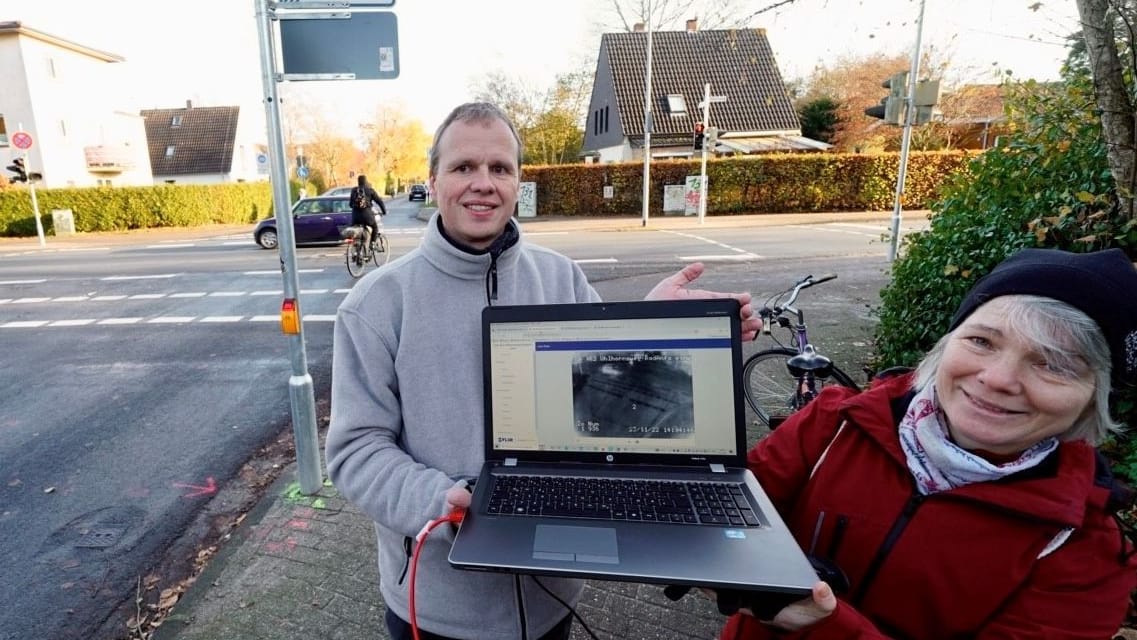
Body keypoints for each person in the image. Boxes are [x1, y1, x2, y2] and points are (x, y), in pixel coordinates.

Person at [326, 102, 760, 640]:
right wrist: (443, 503)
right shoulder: (376, 304)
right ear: (434, 180)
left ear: (517, 183)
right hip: (438, 607)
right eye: (464, 167)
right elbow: (355, 451)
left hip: (550, 600)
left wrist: (650, 323)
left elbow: (599, 399)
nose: (482, 184)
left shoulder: (562, 277)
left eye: (499, 168)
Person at [717, 247, 1137, 639]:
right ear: (946, 344)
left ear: (1095, 396)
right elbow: (721, 514)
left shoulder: (1087, 555)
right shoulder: (834, 424)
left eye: (1053, 364)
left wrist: (826, 624)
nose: (997, 378)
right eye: (982, 341)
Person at [350, 174, 385, 248]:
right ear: (366, 181)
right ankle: (372, 244)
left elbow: (350, 204)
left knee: (356, 232)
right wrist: (384, 211)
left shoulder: (353, 190)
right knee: (375, 227)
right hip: (367, 216)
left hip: (355, 217)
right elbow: (379, 201)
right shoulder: (370, 190)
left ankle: (356, 251)